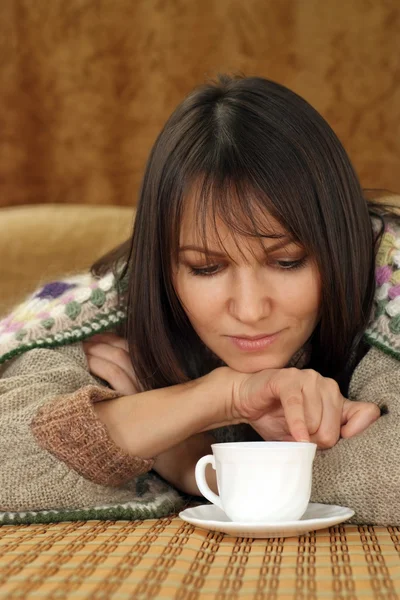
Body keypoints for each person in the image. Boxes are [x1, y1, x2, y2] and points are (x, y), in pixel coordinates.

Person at [1, 74, 399, 525]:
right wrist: (216, 398)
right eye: (206, 268)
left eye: (287, 262)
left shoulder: (389, 284)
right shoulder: (100, 316)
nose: (250, 310)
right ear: (164, 266)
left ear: (338, 245)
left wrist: (188, 460)